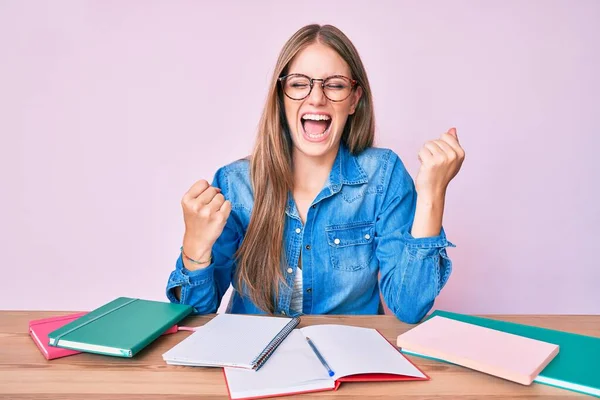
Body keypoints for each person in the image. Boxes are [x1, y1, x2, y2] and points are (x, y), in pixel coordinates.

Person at [165, 24, 465, 323]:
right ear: (281, 97)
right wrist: (195, 244)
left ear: (354, 99)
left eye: (334, 85)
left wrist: (433, 194)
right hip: (254, 363)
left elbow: (409, 306)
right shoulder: (235, 184)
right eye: (299, 84)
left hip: (351, 361)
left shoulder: (383, 175)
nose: (316, 98)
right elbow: (195, 316)